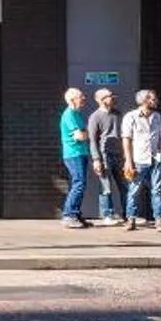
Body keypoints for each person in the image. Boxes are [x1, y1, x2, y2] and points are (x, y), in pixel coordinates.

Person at [124, 90, 161, 231]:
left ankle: (159, 220)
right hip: (139, 158)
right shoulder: (131, 117)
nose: (156, 101)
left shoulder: (157, 116)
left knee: (156, 190)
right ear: (145, 100)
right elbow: (126, 139)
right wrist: (128, 161)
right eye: (153, 99)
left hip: (155, 159)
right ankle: (131, 219)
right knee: (134, 190)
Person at [87, 88, 127, 227]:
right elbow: (92, 140)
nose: (112, 98)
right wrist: (96, 159)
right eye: (109, 96)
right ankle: (107, 214)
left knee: (125, 186)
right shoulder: (95, 117)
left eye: (112, 95)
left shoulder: (117, 114)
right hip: (104, 155)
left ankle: (128, 214)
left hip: (119, 154)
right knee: (106, 186)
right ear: (100, 99)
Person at [57, 88, 91, 229]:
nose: (83, 98)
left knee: (79, 184)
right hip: (73, 154)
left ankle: (75, 214)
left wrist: (85, 133)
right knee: (79, 183)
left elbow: (84, 134)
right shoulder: (69, 114)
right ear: (72, 100)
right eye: (81, 97)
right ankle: (69, 215)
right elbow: (80, 136)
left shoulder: (77, 114)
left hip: (81, 152)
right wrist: (85, 133)